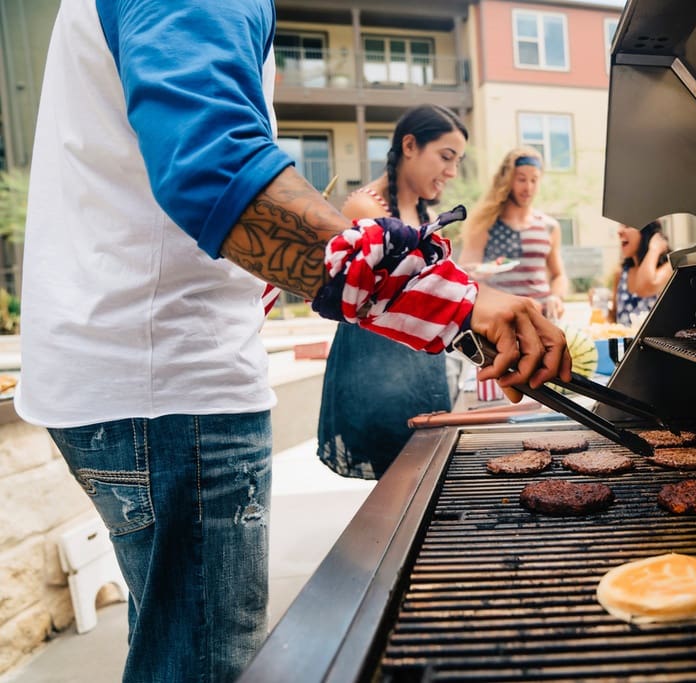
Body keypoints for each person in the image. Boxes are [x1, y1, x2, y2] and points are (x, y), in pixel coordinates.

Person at [13, 3, 570, 681]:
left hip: (134, 380)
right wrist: (456, 301)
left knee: (170, 644)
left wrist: (375, 269)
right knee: (205, 666)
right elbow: (217, 170)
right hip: (171, 392)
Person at [318, 104, 469, 480]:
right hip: (376, 362)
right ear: (410, 146)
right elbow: (391, 286)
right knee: (397, 478)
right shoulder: (365, 205)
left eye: (457, 161)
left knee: (423, 471)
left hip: (417, 360)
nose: (451, 172)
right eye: (445, 157)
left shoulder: (419, 209)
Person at [459, 147, 569, 320]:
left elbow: (559, 275)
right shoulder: (484, 225)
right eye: (521, 179)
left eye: (534, 180)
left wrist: (556, 297)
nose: (528, 187)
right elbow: (466, 278)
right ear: (507, 180)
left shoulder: (549, 227)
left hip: (542, 321)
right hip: (499, 322)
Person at [610, 220, 672, 326]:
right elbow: (614, 316)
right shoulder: (620, 273)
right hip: (627, 342)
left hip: (652, 342)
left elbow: (645, 287)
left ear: (646, 232)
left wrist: (654, 249)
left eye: (627, 225)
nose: (619, 231)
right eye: (620, 226)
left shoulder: (668, 268)